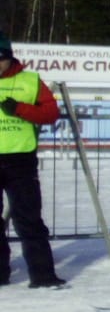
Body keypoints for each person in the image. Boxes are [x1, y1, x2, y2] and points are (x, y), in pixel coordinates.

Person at [0, 33, 67, 288]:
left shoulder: (29, 80)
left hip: (20, 160)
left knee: (29, 220)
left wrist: (19, 109)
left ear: (10, 57)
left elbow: (50, 112)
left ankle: (43, 276)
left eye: (1, 59)